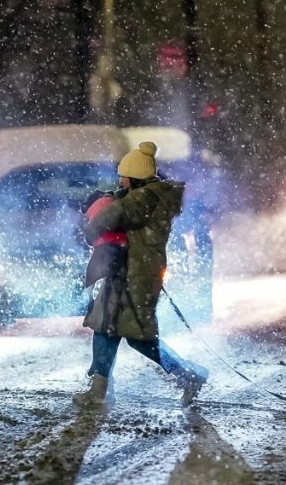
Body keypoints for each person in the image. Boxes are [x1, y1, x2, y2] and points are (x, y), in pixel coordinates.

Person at [73, 141, 209, 408]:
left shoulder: (146, 198)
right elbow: (123, 204)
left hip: (135, 277)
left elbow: (118, 212)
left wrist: (90, 230)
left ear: (134, 176)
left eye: (123, 175)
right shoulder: (146, 196)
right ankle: (99, 389)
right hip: (127, 273)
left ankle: (189, 374)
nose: (120, 180)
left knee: (139, 338)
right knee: (105, 327)